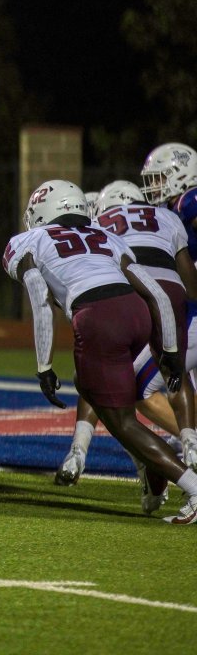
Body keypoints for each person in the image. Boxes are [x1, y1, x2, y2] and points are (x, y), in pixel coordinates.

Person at [7, 179, 196, 524]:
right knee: (89, 384)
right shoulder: (106, 236)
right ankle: (153, 461)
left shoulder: (28, 241)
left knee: (122, 421)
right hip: (136, 314)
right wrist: (169, 347)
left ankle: (191, 486)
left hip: (98, 317)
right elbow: (154, 292)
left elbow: (39, 298)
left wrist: (44, 365)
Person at [57, 179, 197, 483]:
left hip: (134, 294)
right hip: (173, 295)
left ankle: (82, 451)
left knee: (113, 378)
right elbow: (190, 283)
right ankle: (187, 445)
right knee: (172, 371)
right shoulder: (167, 216)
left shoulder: (98, 226)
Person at [142, 143, 197, 468]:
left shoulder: (190, 201)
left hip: (192, 313)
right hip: (188, 311)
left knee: (139, 385)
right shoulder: (173, 209)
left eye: (161, 177)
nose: (155, 185)